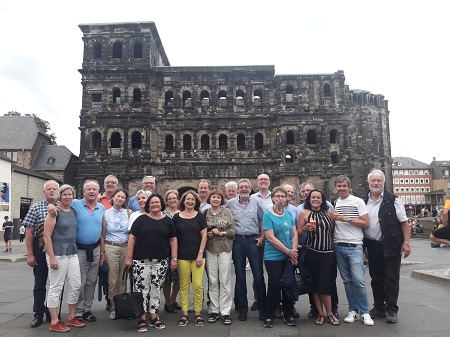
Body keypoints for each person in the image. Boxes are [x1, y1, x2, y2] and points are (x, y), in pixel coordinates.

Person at [49, 180, 106, 322]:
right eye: (89, 189)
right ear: (84, 192)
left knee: (92, 282)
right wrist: (51, 205)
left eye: (94, 189)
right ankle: (78, 311)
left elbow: (103, 232)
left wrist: (103, 253)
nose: (91, 191)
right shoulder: (75, 203)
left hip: (96, 249)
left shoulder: (101, 208)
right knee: (79, 282)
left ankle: (87, 309)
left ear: (98, 192)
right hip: (79, 250)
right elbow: (60, 202)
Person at [363, 169, 410, 324]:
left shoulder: (393, 200)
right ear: (368, 182)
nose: (376, 183)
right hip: (372, 244)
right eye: (373, 181)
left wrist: (406, 242)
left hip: (391, 244)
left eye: (379, 181)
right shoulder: (363, 200)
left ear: (384, 182)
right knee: (375, 278)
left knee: (391, 278)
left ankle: (391, 309)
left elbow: (404, 222)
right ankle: (379, 307)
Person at [125, 193, 178, 332]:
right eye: (152, 203)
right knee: (141, 289)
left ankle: (154, 315)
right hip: (141, 260)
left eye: (157, 202)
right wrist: (129, 257)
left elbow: (173, 240)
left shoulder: (168, 221)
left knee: (156, 288)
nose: (155, 205)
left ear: (162, 205)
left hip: (160, 261)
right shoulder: (141, 220)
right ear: (148, 205)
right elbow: (132, 238)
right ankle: (141, 317)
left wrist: (174, 258)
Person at [43, 184, 85, 332]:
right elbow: (47, 236)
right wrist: (52, 258)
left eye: (70, 194)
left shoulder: (72, 210)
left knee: (76, 285)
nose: (68, 197)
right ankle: (54, 321)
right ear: (60, 196)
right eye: (65, 194)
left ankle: (71, 316)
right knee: (56, 287)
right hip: (58, 253)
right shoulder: (54, 212)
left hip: (72, 252)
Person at [333, 175, 374, 326]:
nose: (342, 188)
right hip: (338, 245)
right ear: (335, 187)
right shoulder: (336, 202)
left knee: (359, 281)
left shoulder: (358, 201)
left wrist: (347, 219)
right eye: (339, 186)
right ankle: (353, 310)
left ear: (349, 187)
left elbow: (366, 222)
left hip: (354, 245)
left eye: (344, 186)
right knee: (347, 281)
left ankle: (365, 312)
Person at [295, 182, 338, 319]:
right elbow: (298, 233)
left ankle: (330, 313)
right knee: (314, 285)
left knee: (326, 284)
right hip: (312, 252)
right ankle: (320, 313)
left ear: (322, 199)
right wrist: (305, 229)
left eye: (318, 197)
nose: (315, 199)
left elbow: (332, 230)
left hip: (327, 253)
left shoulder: (329, 213)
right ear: (309, 199)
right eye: (313, 197)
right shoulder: (303, 213)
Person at [226, 178, 266, 321]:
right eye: (241, 187)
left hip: (253, 239)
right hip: (237, 240)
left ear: (250, 189)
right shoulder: (230, 204)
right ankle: (242, 309)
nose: (243, 189)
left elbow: (262, 219)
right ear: (237, 190)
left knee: (258, 275)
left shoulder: (256, 202)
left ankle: (262, 308)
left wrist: (262, 237)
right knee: (240, 276)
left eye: (246, 187)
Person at [23, 180, 59, 328]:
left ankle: (53, 313)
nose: (51, 191)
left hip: (59, 251)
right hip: (40, 250)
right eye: (49, 189)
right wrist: (30, 254)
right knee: (40, 284)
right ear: (44, 192)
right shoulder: (36, 208)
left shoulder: (64, 207)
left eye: (54, 189)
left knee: (56, 285)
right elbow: (29, 232)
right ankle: (38, 313)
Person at [262, 186, 298, 328]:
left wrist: (294, 251)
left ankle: (288, 314)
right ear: (273, 198)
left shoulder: (289, 214)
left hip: (289, 255)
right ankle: (269, 314)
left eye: (283, 196)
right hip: (273, 255)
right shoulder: (268, 215)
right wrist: (288, 252)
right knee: (274, 284)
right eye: (278, 196)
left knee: (288, 285)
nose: (280, 199)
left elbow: (294, 233)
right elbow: (270, 238)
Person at [172, 190, 207, 327]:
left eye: (193, 199)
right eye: (188, 199)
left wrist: (200, 253)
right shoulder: (176, 217)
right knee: (184, 285)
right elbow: (173, 238)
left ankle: (198, 312)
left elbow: (204, 236)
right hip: (182, 256)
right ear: (183, 201)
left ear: (196, 202)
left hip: (197, 255)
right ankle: (185, 313)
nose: (190, 201)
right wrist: (174, 257)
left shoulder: (200, 216)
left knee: (198, 285)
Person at [204, 189, 236, 325]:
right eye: (213, 197)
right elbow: (201, 230)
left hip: (225, 249)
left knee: (224, 280)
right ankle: (214, 309)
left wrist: (222, 233)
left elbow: (233, 231)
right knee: (212, 280)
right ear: (209, 199)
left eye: (218, 197)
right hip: (210, 249)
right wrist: (208, 234)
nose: (216, 199)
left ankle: (226, 311)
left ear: (221, 200)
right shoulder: (205, 213)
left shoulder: (227, 213)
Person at [100, 188, 130, 320]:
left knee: (123, 278)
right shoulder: (106, 214)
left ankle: (122, 305)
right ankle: (113, 306)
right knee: (113, 279)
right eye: (118, 196)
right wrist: (102, 253)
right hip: (110, 247)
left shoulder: (129, 213)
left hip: (125, 247)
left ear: (125, 200)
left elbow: (131, 234)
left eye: (122, 197)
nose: (120, 199)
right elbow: (103, 235)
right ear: (113, 198)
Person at [162, 189, 181, 313]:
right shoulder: (162, 213)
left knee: (179, 277)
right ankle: (167, 302)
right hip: (165, 248)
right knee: (167, 278)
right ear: (166, 201)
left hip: (181, 248)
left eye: (174, 198)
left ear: (178, 200)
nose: (172, 200)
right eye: (170, 198)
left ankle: (174, 300)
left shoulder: (182, 213)